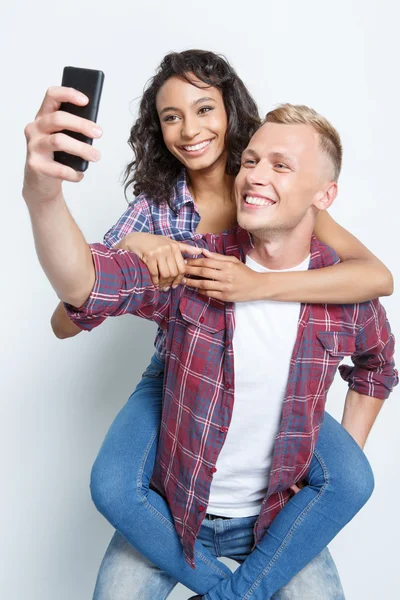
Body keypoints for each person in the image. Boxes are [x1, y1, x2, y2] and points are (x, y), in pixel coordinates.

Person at [22, 66, 397, 599]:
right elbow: (84, 291)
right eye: (171, 116)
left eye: (203, 110)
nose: (257, 176)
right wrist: (48, 198)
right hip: (182, 365)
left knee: (351, 478)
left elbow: (376, 291)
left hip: (272, 490)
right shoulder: (179, 244)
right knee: (113, 484)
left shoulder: (322, 267)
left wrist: (257, 286)